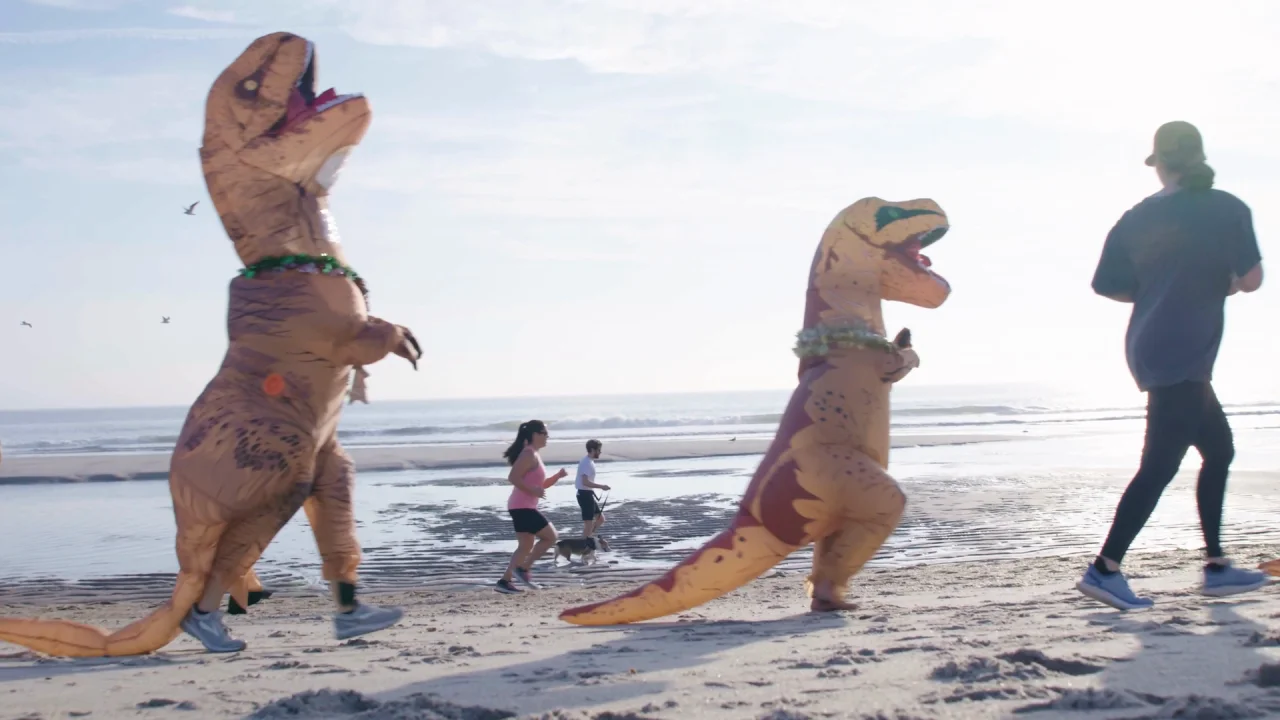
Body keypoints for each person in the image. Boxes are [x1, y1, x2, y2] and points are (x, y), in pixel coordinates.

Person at [1079, 120, 1268, 610]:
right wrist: (1214, 282)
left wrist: (1158, 290)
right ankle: (1105, 568)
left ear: (1160, 165)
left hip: (1152, 344)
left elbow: (1105, 285)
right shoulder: (1227, 207)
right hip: (1184, 350)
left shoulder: (1135, 218)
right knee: (1160, 464)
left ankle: (1217, 566)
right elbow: (1251, 279)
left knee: (1219, 450)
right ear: (1199, 158)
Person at [496, 420, 568, 594]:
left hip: (520, 506)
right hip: (522, 506)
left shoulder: (534, 454)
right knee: (551, 537)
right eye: (544, 433)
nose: (547, 437)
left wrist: (557, 477)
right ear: (535, 435)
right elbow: (513, 477)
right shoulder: (528, 454)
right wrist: (533, 491)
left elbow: (540, 485)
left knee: (525, 546)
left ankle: (504, 582)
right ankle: (524, 569)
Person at [575, 439, 611, 537]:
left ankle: (589, 538)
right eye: (598, 450)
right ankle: (585, 546)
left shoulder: (589, 461)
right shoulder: (586, 463)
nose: (600, 452)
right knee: (588, 524)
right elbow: (585, 482)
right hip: (584, 495)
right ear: (592, 450)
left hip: (588, 494)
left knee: (600, 519)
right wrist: (602, 487)